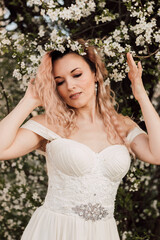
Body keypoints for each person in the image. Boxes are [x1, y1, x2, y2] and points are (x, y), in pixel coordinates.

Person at [0, 39, 160, 240]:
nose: (70, 86)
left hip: (103, 233)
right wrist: (29, 100)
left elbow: (158, 154)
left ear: (95, 73)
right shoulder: (49, 124)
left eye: (76, 75)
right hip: (55, 231)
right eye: (60, 81)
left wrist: (141, 94)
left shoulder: (122, 125)